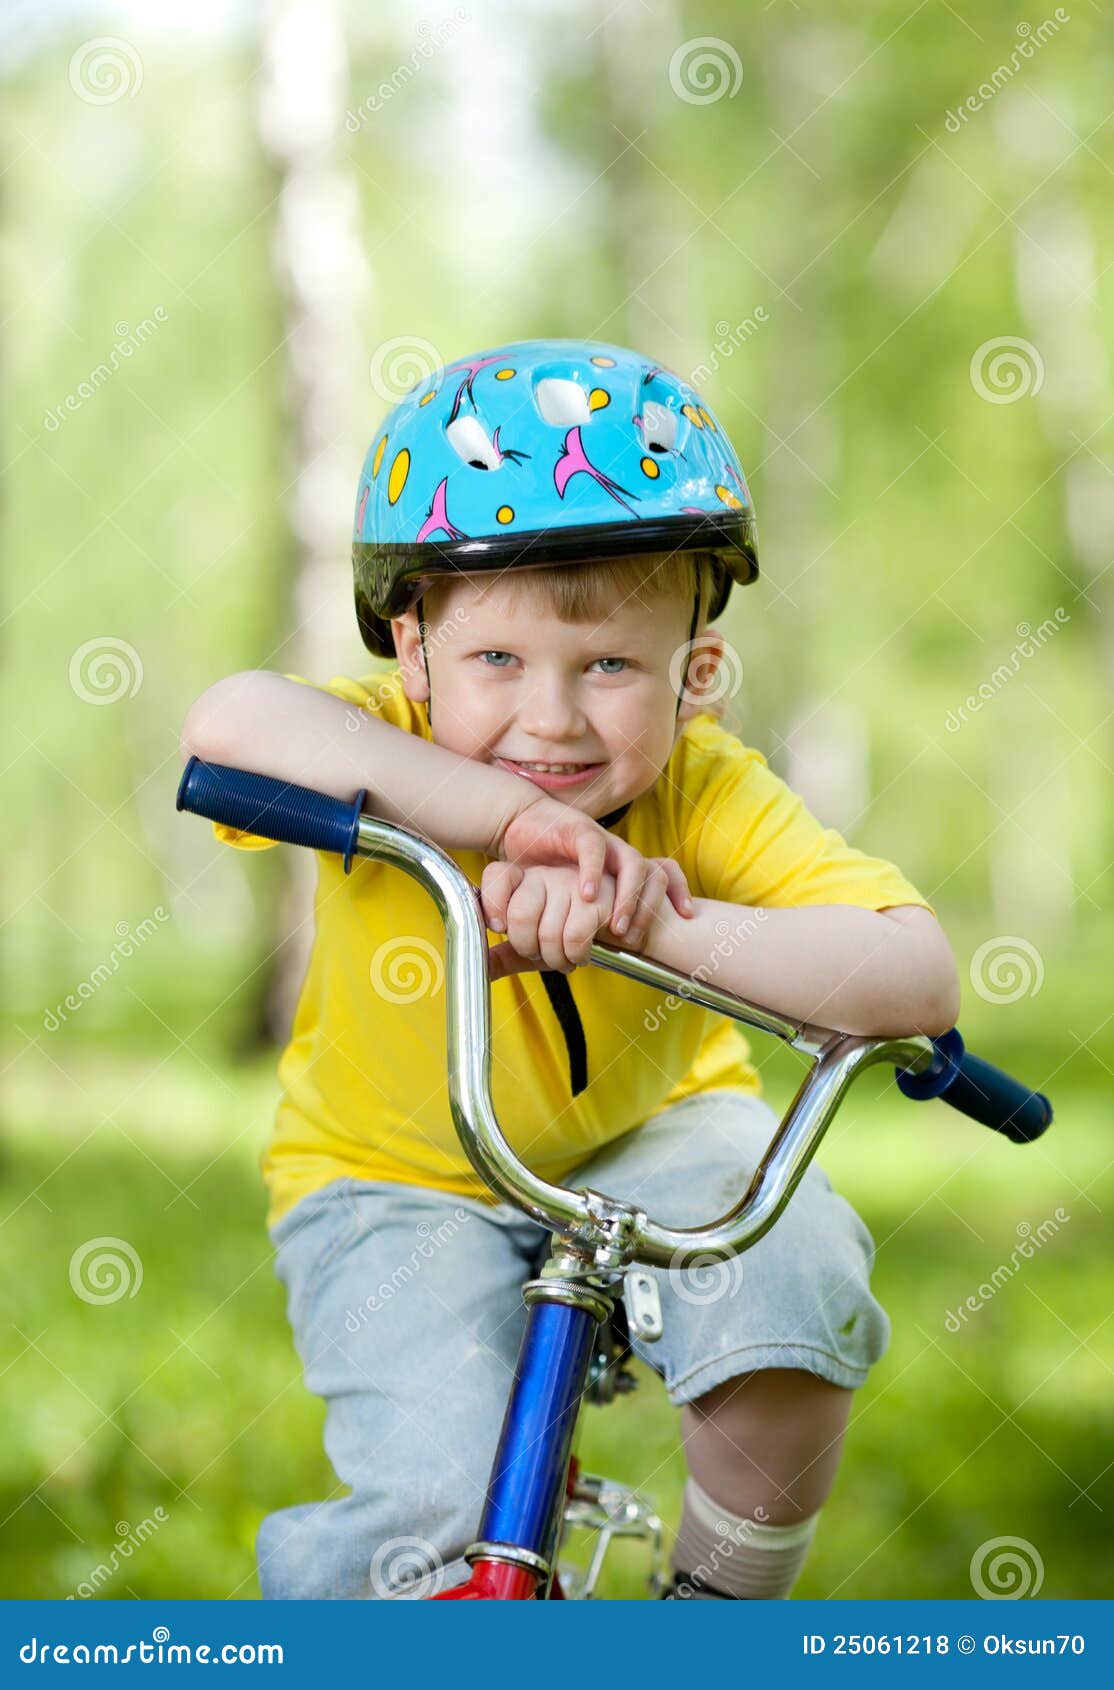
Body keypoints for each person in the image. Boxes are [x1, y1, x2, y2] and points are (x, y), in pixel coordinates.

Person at [180, 337, 960, 1601]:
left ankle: (715, 1617)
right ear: (413, 654)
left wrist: (650, 925)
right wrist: (509, 821)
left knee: (794, 1283)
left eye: (607, 665)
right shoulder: (380, 739)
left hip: (660, 1129)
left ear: (694, 677)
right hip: (389, 1175)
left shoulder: (701, 788)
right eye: (496, 660)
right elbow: (226, 724)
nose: (549, 719)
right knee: (433, 1503)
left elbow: (914, 974)